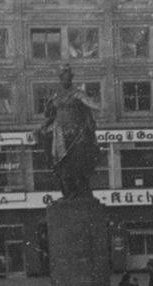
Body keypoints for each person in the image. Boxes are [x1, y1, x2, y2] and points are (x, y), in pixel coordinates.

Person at [35, 64, 101, 199]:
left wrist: (98, 105)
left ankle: (79, 188)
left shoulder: (77, 93)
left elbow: (93, 105)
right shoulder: (56, 95)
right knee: (60, 161)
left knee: (77, 161)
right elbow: (49, 114)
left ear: (71, 79)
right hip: (60, 133)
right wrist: (47, 109)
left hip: (76, 131)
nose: (66, 81)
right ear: (60, 79)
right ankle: (67, 187)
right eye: (63, 79)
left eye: (68, 79)